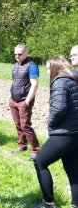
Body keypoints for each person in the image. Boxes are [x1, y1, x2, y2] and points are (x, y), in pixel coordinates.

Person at [33, 56, 78, 208]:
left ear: (55, 68)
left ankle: (48, 203)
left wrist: (50, 123)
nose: (46, 72)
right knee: (73, 170)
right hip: (76, 133)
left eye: (47, 68)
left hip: (64, 133)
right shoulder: (75, 78)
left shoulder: (60, 81)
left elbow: (59, 109)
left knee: (40, 162)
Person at [9, 43, 40, 160]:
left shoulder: (32, 66)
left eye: (20, 54)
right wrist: (11, 99)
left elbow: (35, 85)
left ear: (26, 53)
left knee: (25, 125)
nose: (17, 56)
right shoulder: (15, 65)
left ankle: (36, 150)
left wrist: (27, 101)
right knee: (18, 124)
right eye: (15, 54)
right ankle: (22, 145)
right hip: (13, 100)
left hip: (24, 101)